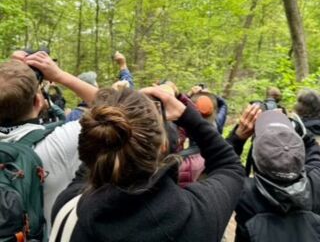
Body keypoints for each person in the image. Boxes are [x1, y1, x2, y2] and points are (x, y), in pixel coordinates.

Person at [50, 87, 245, 242]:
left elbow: (89, 166)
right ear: (164, 147)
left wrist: (114, 110)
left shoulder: (67, 207)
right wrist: (186, 113)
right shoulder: (199, 219)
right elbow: (230, 165)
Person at [2, 51, 98, 231]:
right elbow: (128, 111)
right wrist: (60, 76)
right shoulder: (63, 139)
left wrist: (10, 75)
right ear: (39, 102)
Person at [230, 110, 320, 242]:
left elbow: (222, 166)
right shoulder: (316, 182)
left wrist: (237, 138)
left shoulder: (243, 193)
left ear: (256, 158)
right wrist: (295, 127)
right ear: (301, 155)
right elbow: (314, 151)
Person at [66, 51, 133, 122]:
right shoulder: (112, 107)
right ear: (96, 85)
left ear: (78, 94)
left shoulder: (73, 115)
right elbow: (129, 92)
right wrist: (123, 65)